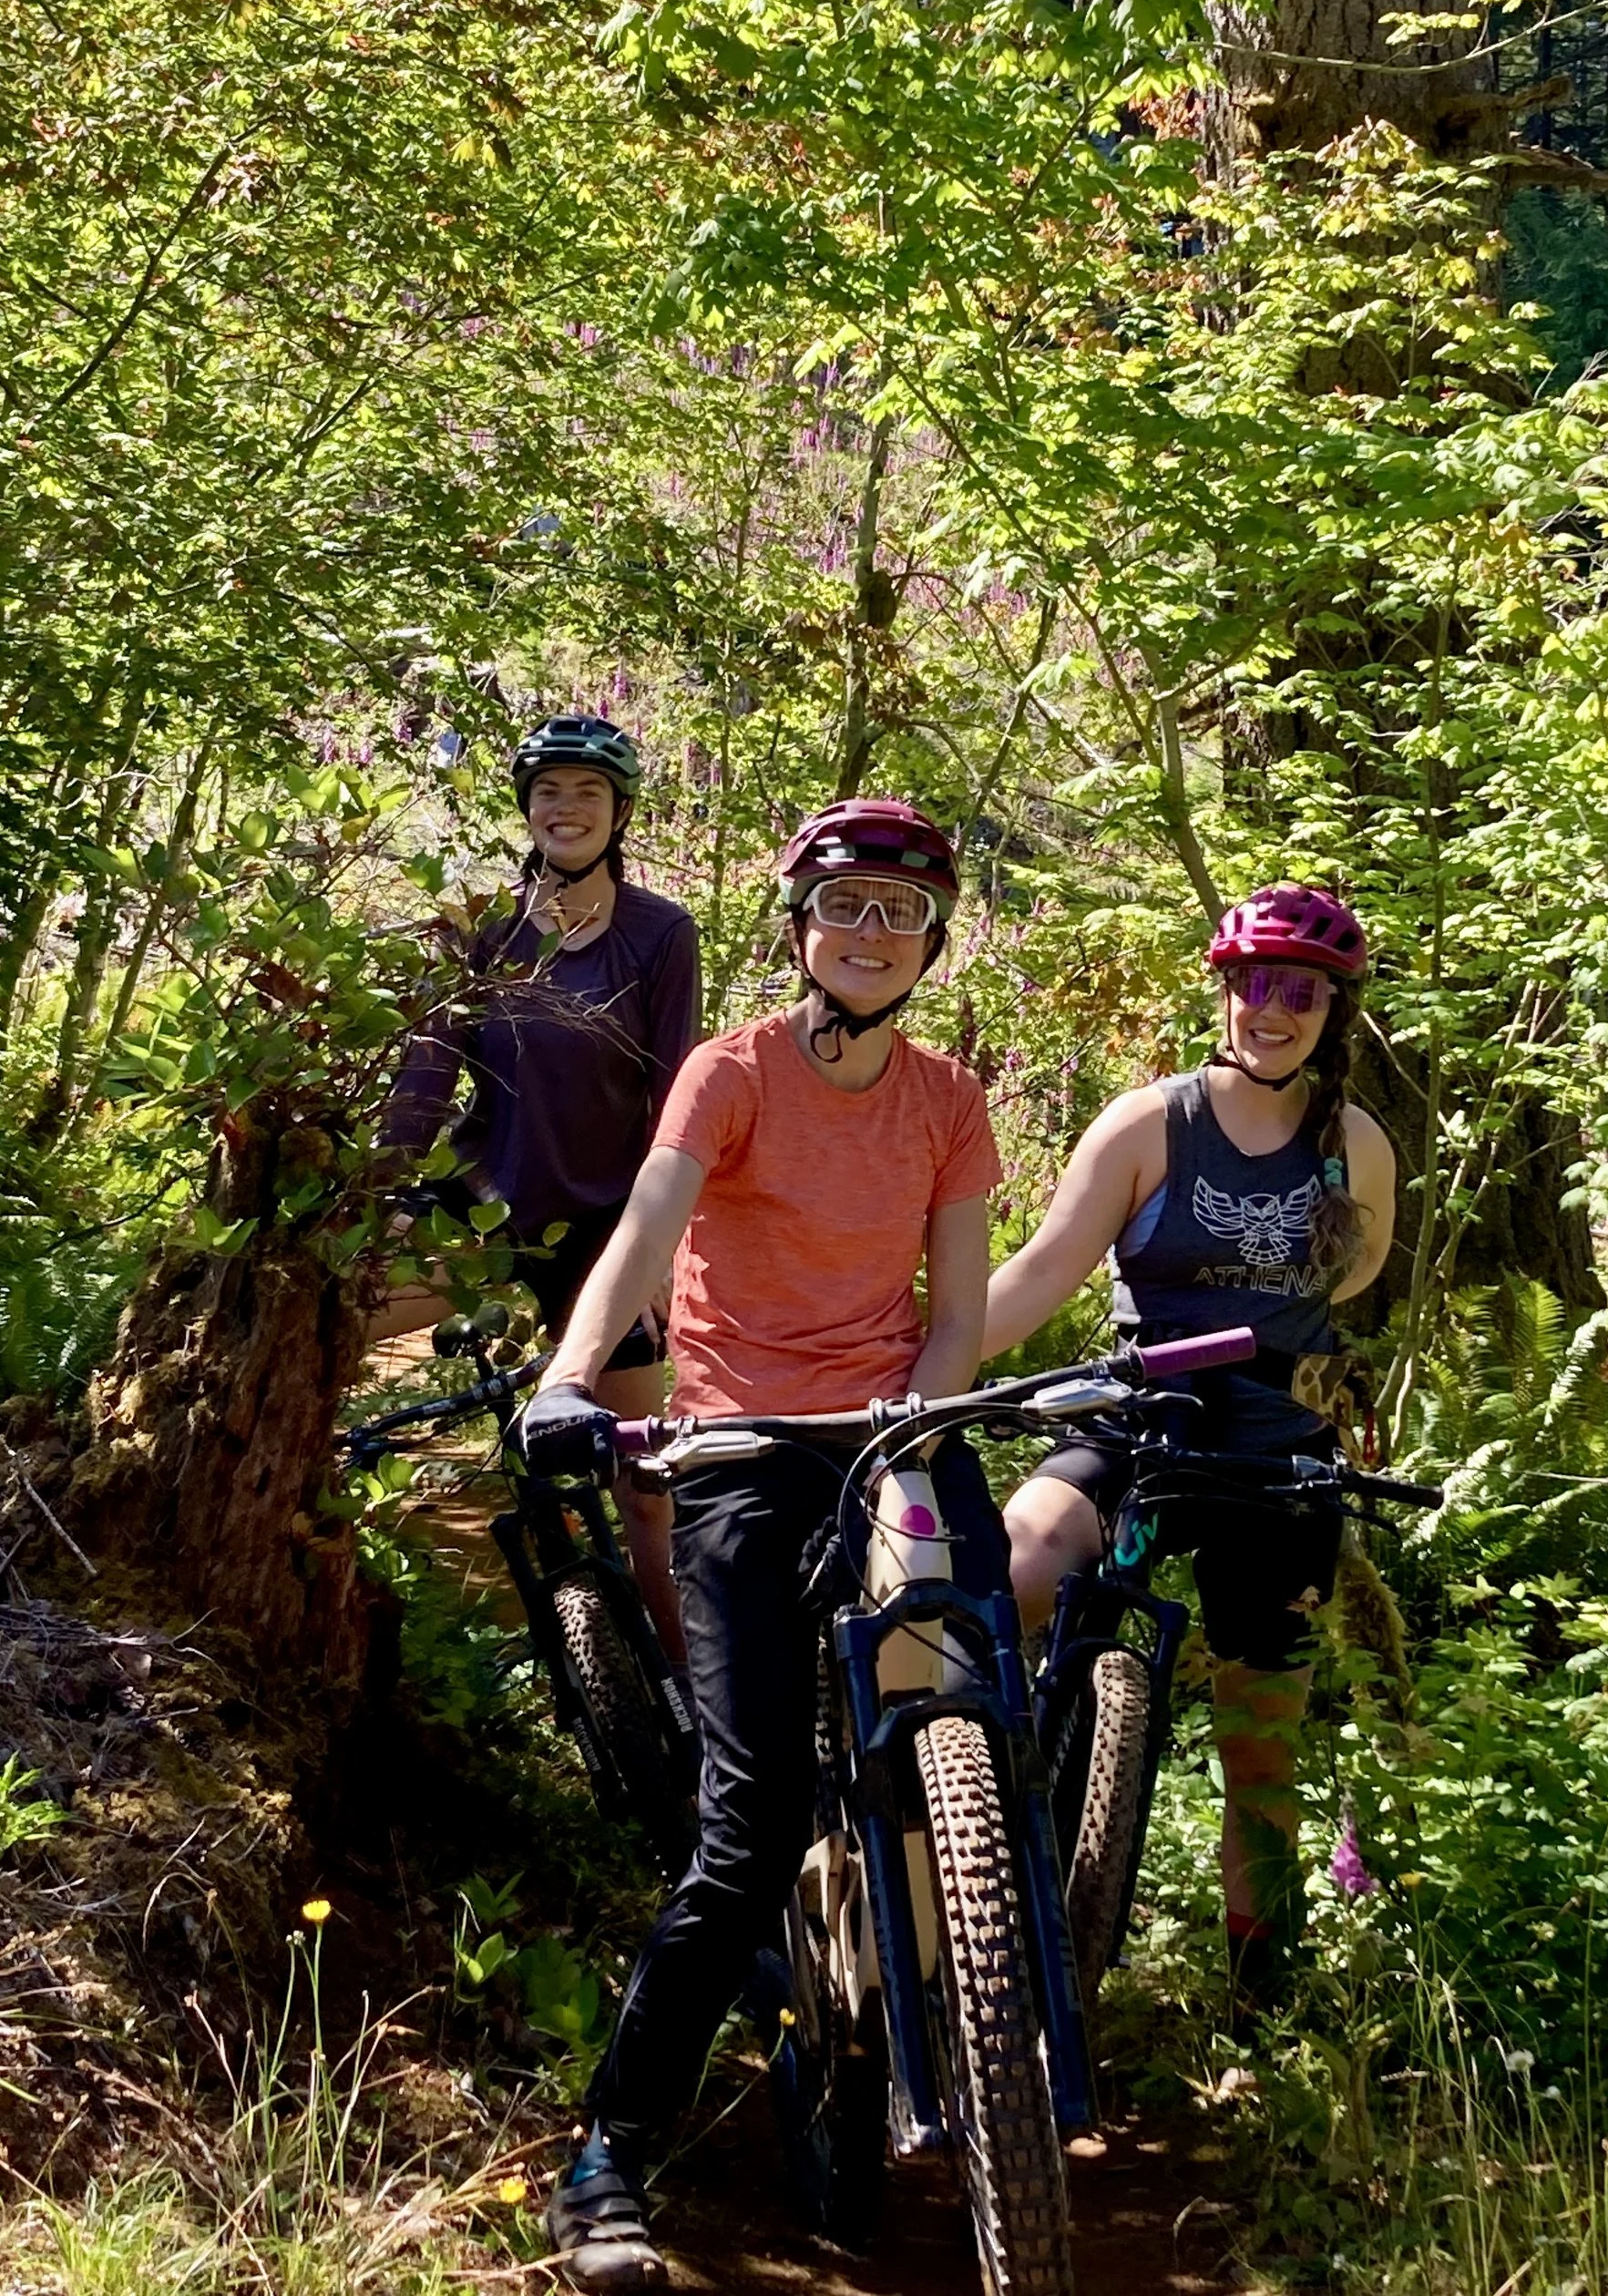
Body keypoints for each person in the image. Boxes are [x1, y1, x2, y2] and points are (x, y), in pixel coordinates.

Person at [517, 797, 1005, 2294]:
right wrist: (568, 1372)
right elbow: (646, 1236)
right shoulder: (729, 1071)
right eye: (846, 906)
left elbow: (964, 1309)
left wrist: (913, 1428)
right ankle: (608, 2152)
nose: (871, 934)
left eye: (901, 913)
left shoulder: (949, 1099)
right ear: (798, 925)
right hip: (742, 1455)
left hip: (891, 1445)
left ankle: (989, 1996)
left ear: (930, 941)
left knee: (985, 1724)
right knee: (746, 1829)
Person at [981, 885, 1397, 2002]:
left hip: (1276, 1452)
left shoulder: (1353, 1144)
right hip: (1135, 1417)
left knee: (1261, 1751)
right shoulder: (1146, 1125)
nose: (1272, 1010)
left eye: (1298, 993)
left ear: (1330, 1011)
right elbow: (1040, 1272)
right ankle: (959, 1827)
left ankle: (1262, 1999)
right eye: (1253, 984)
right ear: (1221, 988)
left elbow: (1349, 1281)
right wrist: (911, 1363)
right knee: (1015, 1567)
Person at [378, 713, 700, 1658]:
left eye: (587, 793)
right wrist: (385, 1196)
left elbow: (674, 1097)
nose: (566, 809)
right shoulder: (483, 929)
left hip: (605, 1233)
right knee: (313, 1334)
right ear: (526, 808)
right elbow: (426, 1072)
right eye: (549, 792)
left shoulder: (658, 936)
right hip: (481, 1209)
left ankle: (690, 1687)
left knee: (645, 1482)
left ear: (620, 812)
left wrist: (660, 1254)